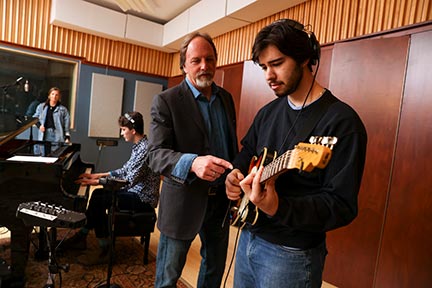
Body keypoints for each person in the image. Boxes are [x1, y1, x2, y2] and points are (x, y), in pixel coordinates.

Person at [225, 19, 367, 288]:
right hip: (248, 238)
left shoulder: (341, 122)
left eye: (277, 64)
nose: (268, 75)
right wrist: (235, 174)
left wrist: (279, 207)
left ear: (304, 57)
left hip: (291, 254)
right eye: (264, 67)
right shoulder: (268, 112)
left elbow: (341, 205)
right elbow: (248, 152)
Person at [146, 32, 238, 288]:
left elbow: (231, 146)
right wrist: (192, 163)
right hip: (182, 204)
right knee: (167, 278)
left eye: (209, 59)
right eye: (196, 60)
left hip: (220, 203)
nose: (204, 66)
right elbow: (155, 155)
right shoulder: (166, 101)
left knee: (213, 273)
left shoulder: (226, 100)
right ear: (184, 65)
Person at [61, 111, 160, 266]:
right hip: (134, 191)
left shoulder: (145, 149)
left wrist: (97, 181)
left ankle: (105, 249)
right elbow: (124, 170)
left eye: (123, 130)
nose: (121, 134)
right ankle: (83, 235)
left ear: (133, 131)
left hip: (142, 198)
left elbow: (128, 180)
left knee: (100, 198)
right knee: (99, 194)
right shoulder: (139, 146)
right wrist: (97, 176)